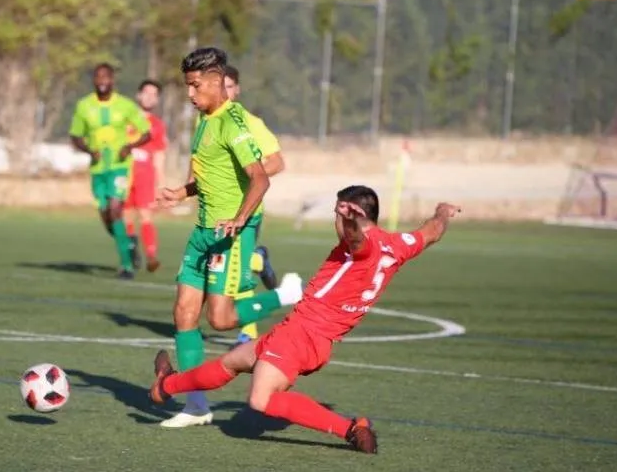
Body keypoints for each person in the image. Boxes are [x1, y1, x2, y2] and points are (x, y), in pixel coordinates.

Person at [150, 186, 461, 452]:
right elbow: (432, 231)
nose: (335, 222)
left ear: (351, 215)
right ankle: (167, 385)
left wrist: (350, 218)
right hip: (312, 337)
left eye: (337, 216)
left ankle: (351, 428)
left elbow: (357, 239)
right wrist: (443, 212)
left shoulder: (360, 246)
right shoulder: (399, 245)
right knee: (233, 361)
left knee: (261, 400)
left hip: (302, 334)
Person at [155, 47, 303, 428]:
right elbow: (212, 176)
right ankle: (196, 405)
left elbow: (261, 176)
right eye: (187, 86)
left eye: (195, 85)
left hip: (227, 235)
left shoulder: (234, 123)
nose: (190, 94)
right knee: (184, 313)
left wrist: (239, 219)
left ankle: (283, 296)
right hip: (203, 232)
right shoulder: (204, 118)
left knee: (220, 319)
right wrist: (181, 193)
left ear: (217, 81)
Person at [70, 63, 151, 279]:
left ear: (112, 80)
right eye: (98, 77)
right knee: (107, 217)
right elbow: (75, 136)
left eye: (106, 77)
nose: (102, 81)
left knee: (116, 210)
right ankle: (129, 243)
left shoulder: (125, 106)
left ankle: (126, 267)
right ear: (94, 80)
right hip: (98, 170)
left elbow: (146, 133)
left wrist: (128, 147)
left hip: (120, 168)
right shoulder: (84, 106)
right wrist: (88, 149)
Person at [223, 65, 283, 347]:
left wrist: (250, 175)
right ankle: (259, 259)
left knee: (237, 273)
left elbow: (277, 162)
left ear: (237, 89)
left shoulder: (251, 123)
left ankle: (248, 333)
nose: (223, 91)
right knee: (224, 267)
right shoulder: (206, 121)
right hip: (216, 210)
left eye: (229, 86)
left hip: (246, 211)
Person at [124, 79, 168, 273]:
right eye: (146, 93)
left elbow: (159, 155)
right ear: (138, 95)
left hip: (145, 176)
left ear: (157, 100)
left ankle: (151, 255)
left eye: (154, 94)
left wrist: (160, 184)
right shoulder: (126, 119)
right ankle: (131, 251)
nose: (149, 97)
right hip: (124, 174)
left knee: (146, 215)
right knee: (125, 217)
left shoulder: (157, 125)